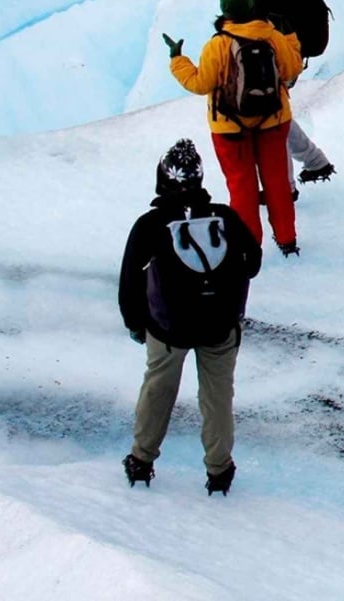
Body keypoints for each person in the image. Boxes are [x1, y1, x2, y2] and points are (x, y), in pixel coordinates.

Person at [119, 139, 262, 496]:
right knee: (217, 398)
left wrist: (137, 324)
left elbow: (129, 281)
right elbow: (253, 261)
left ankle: (141, 460)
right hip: (220, 327)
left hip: (168, 330)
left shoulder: (151, 224)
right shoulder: (224, 217)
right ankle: (219, 470)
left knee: (158, 390)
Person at [166, 0, 303, 255]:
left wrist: (178, 59)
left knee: (241, 185)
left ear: (225, 10)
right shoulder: (272, 36)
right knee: (277, 181)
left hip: (230, 127)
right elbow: (292, 69)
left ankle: (247, 246)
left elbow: (200, 84)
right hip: (273, 120)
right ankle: (287, 240)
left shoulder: (218, 44)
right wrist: (289, 37)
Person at [232, 0, 336, 190]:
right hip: (271, 64)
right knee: (276, 114)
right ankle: (314, 161)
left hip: (279, 64)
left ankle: (286, 186)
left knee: (271, 121)